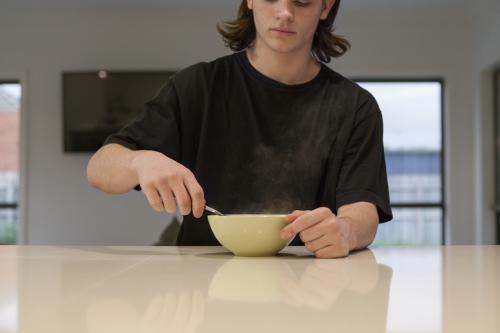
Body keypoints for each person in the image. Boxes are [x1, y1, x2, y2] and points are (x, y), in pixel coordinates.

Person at [86, 0, 393, 258]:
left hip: (310, 287)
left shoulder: (356, 107)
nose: (285, 12)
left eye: (302, 0)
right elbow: (99, 169)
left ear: (325, 6)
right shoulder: (199, 86)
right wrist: (139, 161)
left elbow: (362, 209)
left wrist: (345, 231)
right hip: (200, 289)